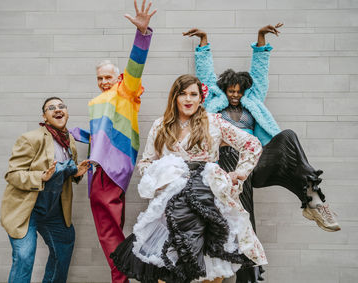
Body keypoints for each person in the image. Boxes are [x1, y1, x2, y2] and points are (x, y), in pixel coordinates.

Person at [183, 24, 340, 282]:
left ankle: (311, 197)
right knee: (244, 218)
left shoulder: (252, 101)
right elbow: (205, 75)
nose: (234, 95)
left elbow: (260, 72)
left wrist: (261, 39)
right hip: (226, 166)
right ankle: (251, 277)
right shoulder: (213, 104)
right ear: (224, 89)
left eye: (238, 91)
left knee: (288, 135)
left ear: (244, 90)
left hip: (254, 162)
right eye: (230, 91)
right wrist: (204, 41)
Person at [110, 74, 267, 283]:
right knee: (166, 271)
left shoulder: (213, 123)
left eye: (193, 94)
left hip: (207, 201)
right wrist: (164, 175)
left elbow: (252, 145)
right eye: (182, 94)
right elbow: (146, 163)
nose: (188, 99)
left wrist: (238, 174)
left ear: (200, 98)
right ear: (174, 97)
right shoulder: (160, 125)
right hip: (172, 205)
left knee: (209, 272)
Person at [69, 1, 156, 282]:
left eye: (108, 77)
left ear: (117, 78)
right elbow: (101, 134)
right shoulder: (97, 102)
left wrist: (142, 35)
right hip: (101, 167)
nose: (104, 81)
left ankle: (123, 274)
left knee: (106, 226)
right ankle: (124, 272)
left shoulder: (125, 92)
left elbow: (135, 67)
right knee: (112, 224)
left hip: (112, 167)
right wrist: (74, 134)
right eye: (99, 78)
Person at [1, 97, 90, 283]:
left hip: (53, 210)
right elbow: (12, 175)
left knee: (64, 247)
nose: (57, 110)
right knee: (24, 257)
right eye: (51, 108)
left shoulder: (69, 141)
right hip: (27, 210)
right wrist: (40, 176)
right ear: (45, 116)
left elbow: (65, 172)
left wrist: (76, 173)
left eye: (61, 106)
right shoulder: (31, 139)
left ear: (66, 112)